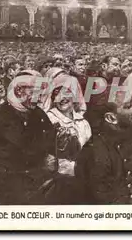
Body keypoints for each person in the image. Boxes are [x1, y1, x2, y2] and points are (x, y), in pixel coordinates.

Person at [0, 72, 59, 204]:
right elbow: (21, 150)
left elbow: (49, 137)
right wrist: (44, 161)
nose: (39, 99)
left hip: (36, 174)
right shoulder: (2, 115)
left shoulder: (36, 111)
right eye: (35, 93)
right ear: (19, 91)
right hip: (11, 180)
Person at [44, 74, 92, 204]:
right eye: (57, 94)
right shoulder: (49, 120)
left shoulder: (83, 122)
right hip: (62, 180)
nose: (62, 98)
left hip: (85, 175)